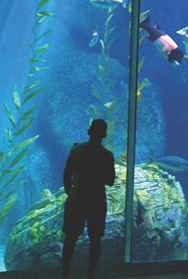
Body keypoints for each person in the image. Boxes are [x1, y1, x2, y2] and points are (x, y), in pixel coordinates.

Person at [61, 119, 115, 279]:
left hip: (76, 198)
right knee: (95, 239)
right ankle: (90, 274)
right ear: (104, 135)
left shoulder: (76, 150)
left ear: (89, 131)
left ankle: (65, 274)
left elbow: (66, 175)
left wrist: (70, 193)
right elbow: (110, 181)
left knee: (70, 237)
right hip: (97, 200)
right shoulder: (107, 155)